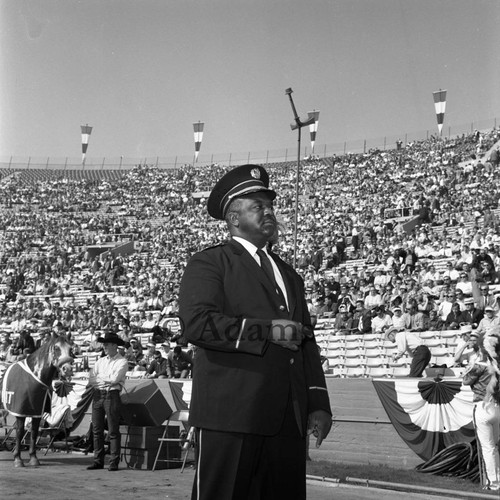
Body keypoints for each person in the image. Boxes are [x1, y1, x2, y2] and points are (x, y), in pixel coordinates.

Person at [179, 164, 332, 500]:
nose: (269, 212)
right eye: (258, 206)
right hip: (230, 416)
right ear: (234, 218)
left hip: (286, 420)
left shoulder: (290, 275)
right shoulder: (210, 263)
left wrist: (318, 400)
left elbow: (307, 342)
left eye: (270, 206)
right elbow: (197, 324)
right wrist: (267, 331)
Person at [462, 330, 500, 490]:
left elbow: (465, 380)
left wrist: (467, 370)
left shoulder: (480, 364)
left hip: (482, 406)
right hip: (497, 407)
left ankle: (492, 482)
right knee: (495, 446)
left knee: (487, 447)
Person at [87, 331, 128, 472]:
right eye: (104, 344)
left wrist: (101, 379)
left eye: (107, 344)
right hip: (100, 394)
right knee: (97, 429)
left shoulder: (122, 361)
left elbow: (115, 379)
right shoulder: (101, 361)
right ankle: (98, 460)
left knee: (112, 430)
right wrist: (105, 379)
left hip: (111, 394)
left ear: (114, 345)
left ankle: (113, 461)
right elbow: (91, 379)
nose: (104, 347)